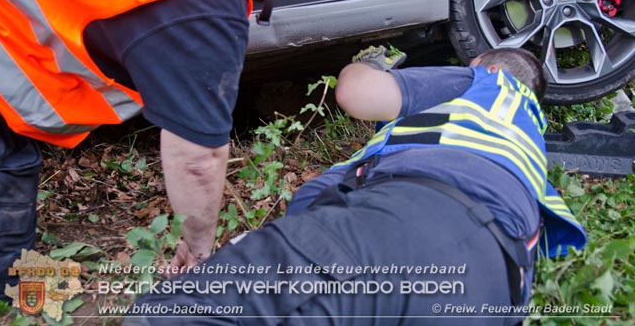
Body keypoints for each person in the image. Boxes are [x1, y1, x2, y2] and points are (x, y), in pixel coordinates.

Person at [0, 0, 326, 301]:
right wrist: (200, 249)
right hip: (6, 60)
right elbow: (198, 159)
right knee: (7, 261)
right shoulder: (200, 2)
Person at [124, 46, 586, 325]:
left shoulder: (483, 82)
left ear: (482, 64)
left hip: (406, 228)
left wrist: (365, 65)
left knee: (178, 311)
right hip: (494, 289)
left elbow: (354, 96)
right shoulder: (527, 148)